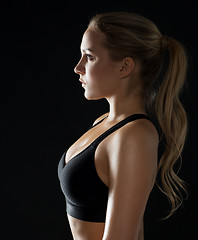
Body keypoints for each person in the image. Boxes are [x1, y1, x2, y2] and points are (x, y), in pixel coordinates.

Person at [58, 11, 188, 240]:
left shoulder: (134, 135)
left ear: (124, 67)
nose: (78, 67)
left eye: (89, 57)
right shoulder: (104, 123)